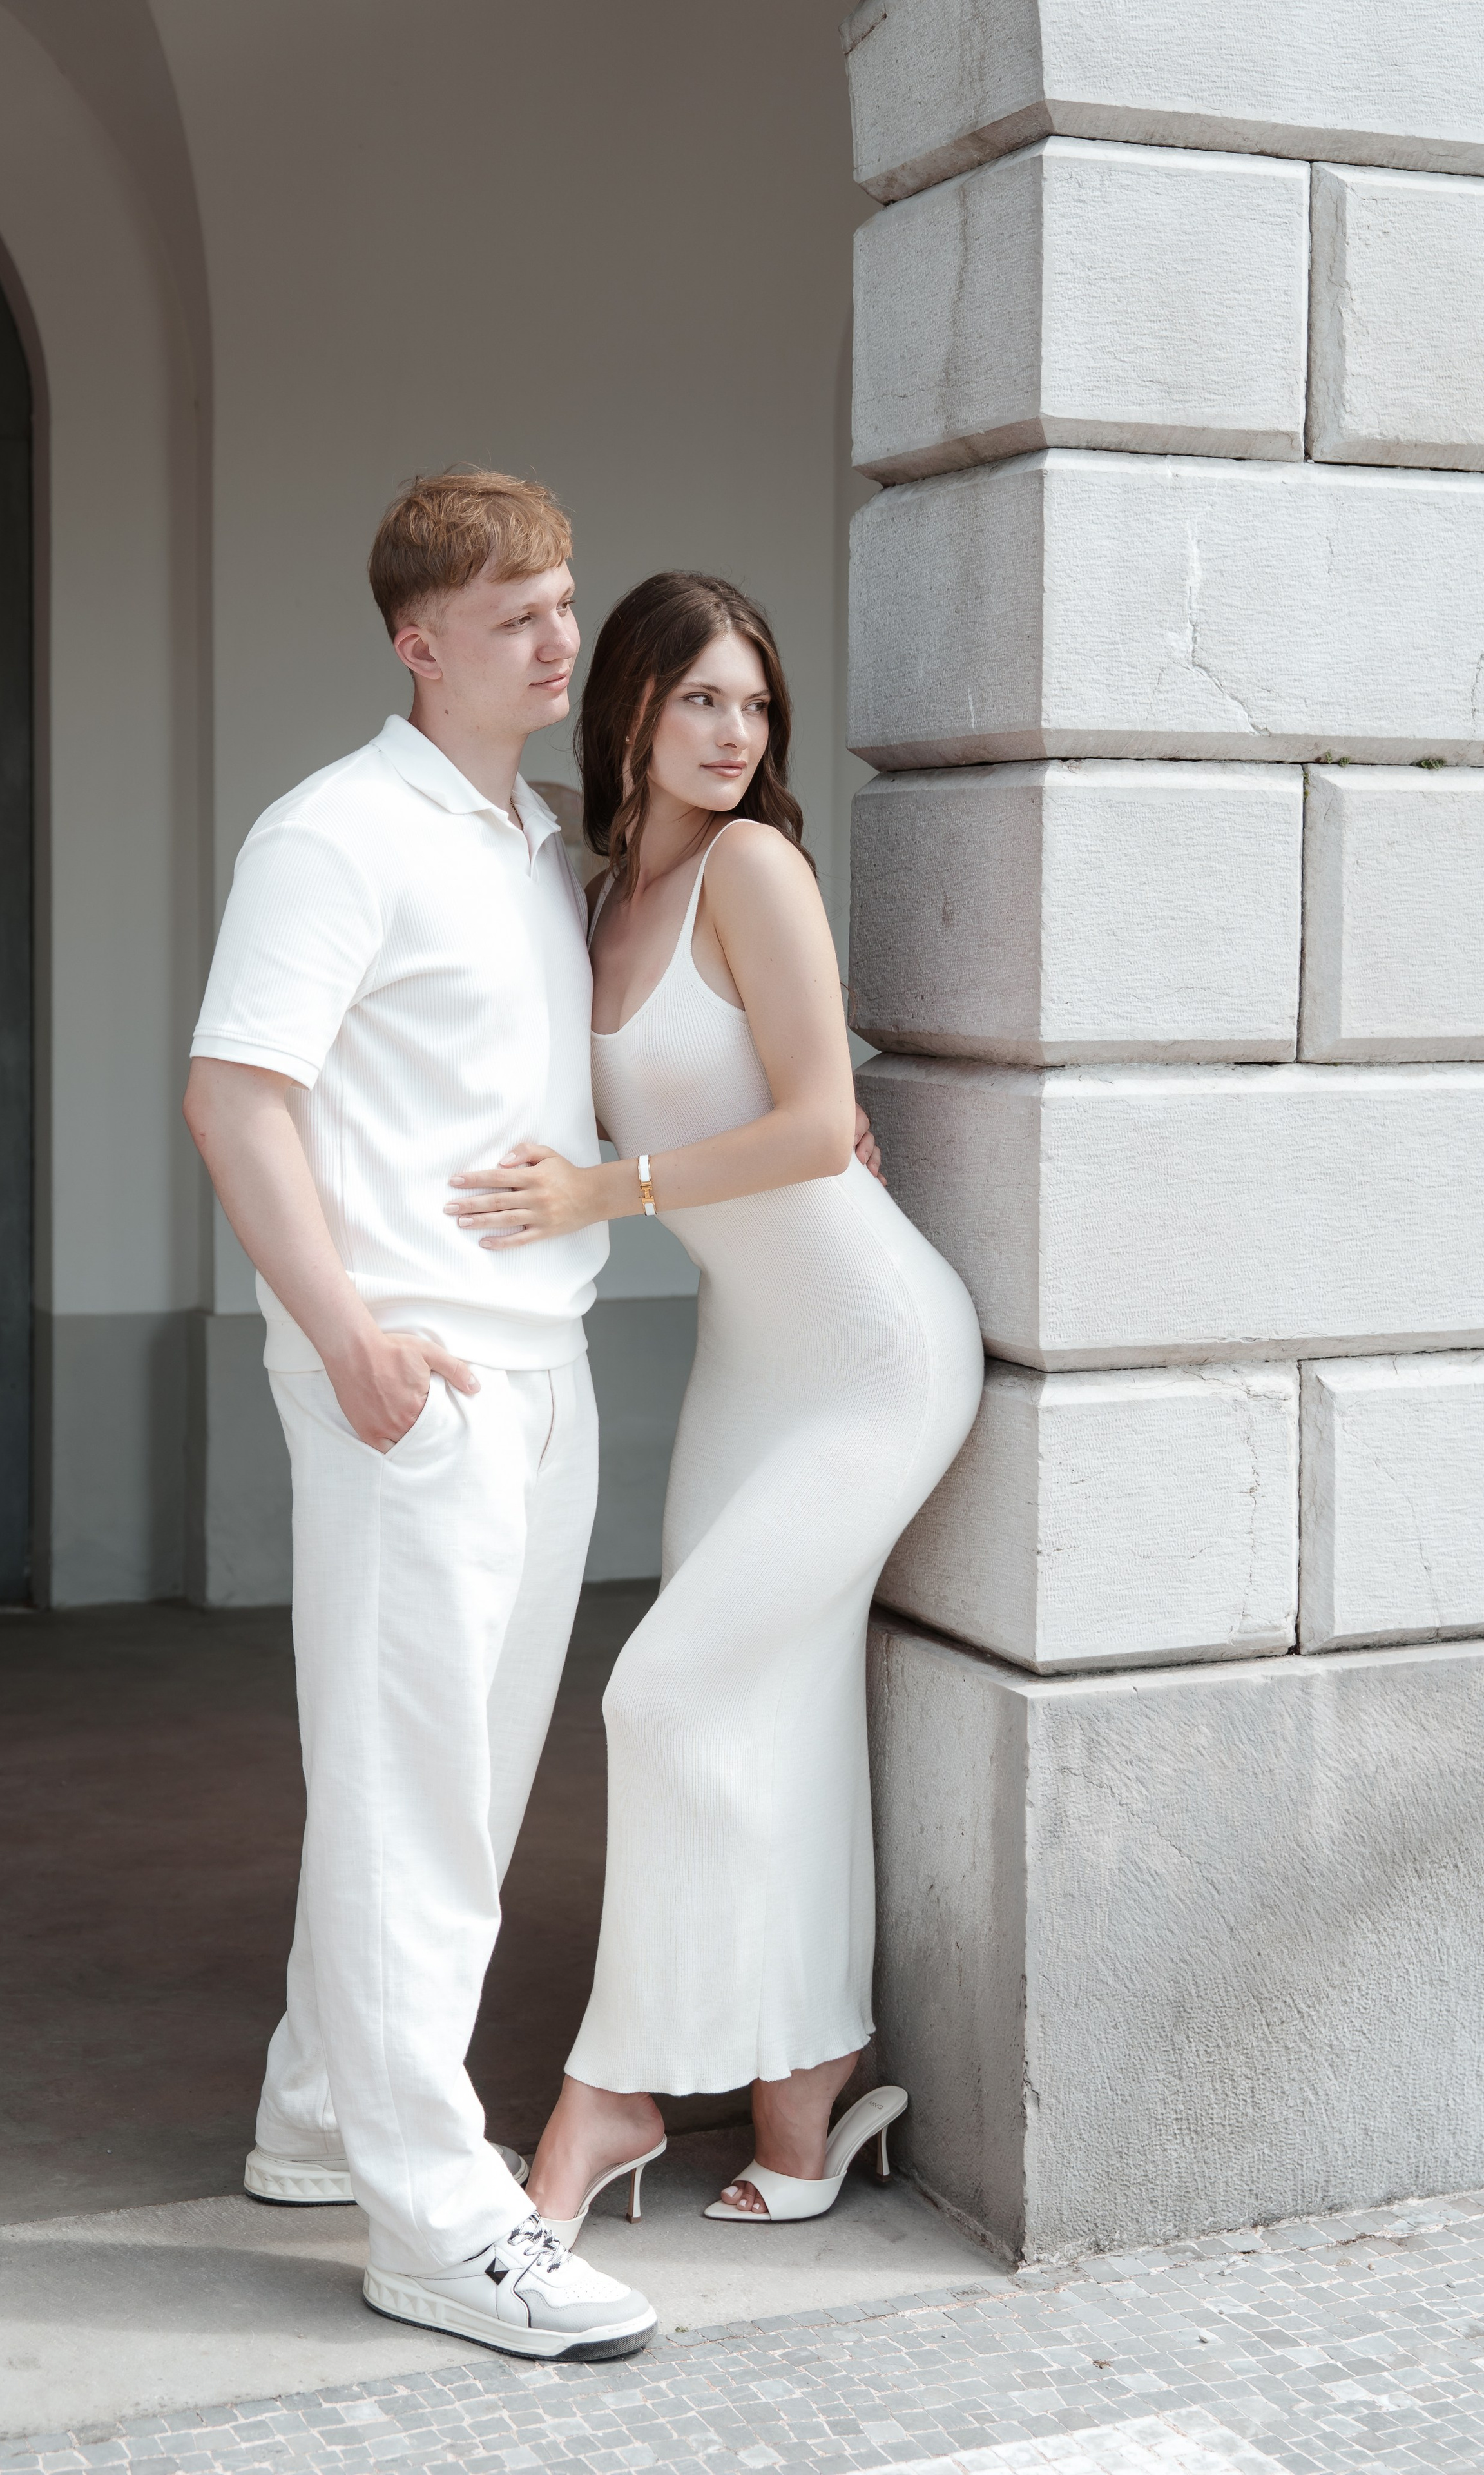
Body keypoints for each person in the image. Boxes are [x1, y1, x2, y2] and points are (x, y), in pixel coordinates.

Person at [181, 471, 658, 2360]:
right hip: (417, 1383)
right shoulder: (336, 834)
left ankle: (320, 2108)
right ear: (417, 641)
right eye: (519, 611)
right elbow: (238, 1096)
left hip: (546, 1364)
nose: (561, 636)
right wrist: (353, 1339)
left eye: (565, 600)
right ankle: (434, 2212)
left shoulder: (534, 842)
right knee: (414, 1801)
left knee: (459, 1784)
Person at [445, 572, 985, 2236]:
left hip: (875, 1356)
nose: (736, 733)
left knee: (661, 1695)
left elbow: (822, 1124)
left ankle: (610, 2101)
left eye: (755, 705)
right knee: (769, 1717)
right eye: (702, 702)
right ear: (630, 712)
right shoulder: (602, 899)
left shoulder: (754, 868)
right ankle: (803, 2098)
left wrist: (614, 1190)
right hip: (754, 1361)